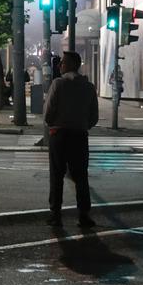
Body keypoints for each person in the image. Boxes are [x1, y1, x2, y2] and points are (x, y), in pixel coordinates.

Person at [43, 51, 99, 228]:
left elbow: (48, 111)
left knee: (57, 174)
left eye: (63, 63)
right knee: (81, 176)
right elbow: (94, 116)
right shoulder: (89, 87)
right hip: (80, 135)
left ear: (71, 65)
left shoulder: (58, 84)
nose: (60, 66)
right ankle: (84, 214)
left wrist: (53, 123)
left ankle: (56, 214)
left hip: (59, 135)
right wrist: (83, 125)